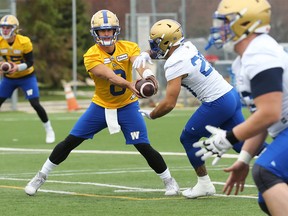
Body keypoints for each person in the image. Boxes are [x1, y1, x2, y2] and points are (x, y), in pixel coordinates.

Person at [24, 9, 179, 197]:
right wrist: (131, 85)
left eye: (109, 30)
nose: (106, 34)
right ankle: (41, 175)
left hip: (127, 106)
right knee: (70, 142)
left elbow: (138, 63)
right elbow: (110, 76)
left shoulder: (128, 47)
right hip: (101, 106)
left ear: (116, 31)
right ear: (95, 33)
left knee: (143, 146)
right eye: (102, 31)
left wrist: (148, 76)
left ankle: (169, 180)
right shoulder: (91, 55)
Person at [193, 0, 288, 215]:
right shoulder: (244, 60)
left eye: (225, 22)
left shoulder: (260, 54)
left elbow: (270, 112)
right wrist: (243, 159)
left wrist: (229, 138)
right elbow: (260, 117)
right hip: (283, 131)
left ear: (245, 23)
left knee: (266, 172)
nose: (219, 29)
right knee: (267, 198)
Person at [133, 19, 245, 199]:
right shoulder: (187, 46)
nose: (154, 47)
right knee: (244, 144)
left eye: (156, 43)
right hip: (230, 95)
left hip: (217, 102)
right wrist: (147, 54)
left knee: (188, 137)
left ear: (167, 42)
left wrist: (152, 114)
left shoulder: (174, 64)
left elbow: (169, 103)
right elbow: (164, 51)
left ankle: (205, 184)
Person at [0, 15, 55, 144]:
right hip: (9, 79)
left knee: (35, 103)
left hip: (26, 77)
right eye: (3, 27)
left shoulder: (24, 42)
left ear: (15, 29)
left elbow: (30, 62)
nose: (5, 30)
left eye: (8, 27)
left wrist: (17, 68)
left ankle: (49, 129)